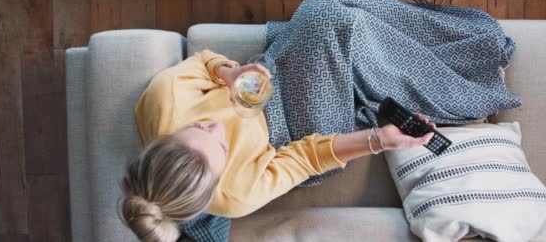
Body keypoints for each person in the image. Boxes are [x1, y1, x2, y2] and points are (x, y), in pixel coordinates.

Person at [121, 50, 434, 242]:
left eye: (198, 126)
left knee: (329, 10)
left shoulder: (163, 100)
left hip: (265, 80)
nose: (218, 126)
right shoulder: (235, 195)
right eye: (223, 147)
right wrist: (379, 140)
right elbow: (306, 158)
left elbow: (203, 62)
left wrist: (229, 73)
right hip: (296, 128)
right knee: (334, 21)